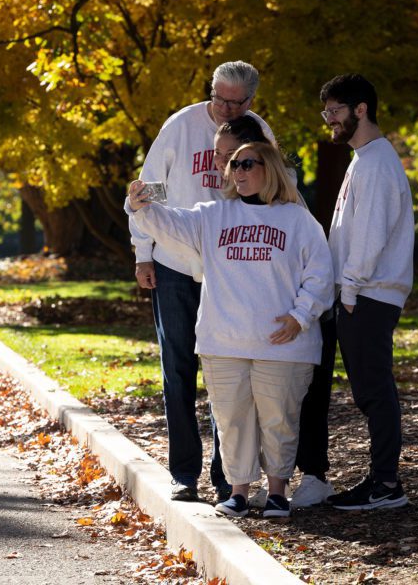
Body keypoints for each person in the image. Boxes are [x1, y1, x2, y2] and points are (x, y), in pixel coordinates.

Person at [126, 142, 334, 518]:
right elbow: (168, 223)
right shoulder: (213, 214)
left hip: (283, 344)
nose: (237, 171)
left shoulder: (298, 220)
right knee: (231, 420)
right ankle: (237, 492)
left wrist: (300, 317)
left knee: (278, 420)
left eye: (246, 164)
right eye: (233, 165)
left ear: (268, 168)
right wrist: (140, 205)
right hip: (223, 341)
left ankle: (276, 493)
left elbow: (320, 276)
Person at [130, 61, 275, 503]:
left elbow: (274, 192)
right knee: (178, 369)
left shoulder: (255, 129)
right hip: (174, 262)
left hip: (230, 269)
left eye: (237, 102)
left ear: (251, 100)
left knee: (226, 371)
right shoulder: (180, 126)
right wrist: (143, 253)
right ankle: (184, 474)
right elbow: (147, 191)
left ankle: (227, 477)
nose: (227, 108)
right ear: (210, 89)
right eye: (221, 98)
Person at [317, 74, 414, 510]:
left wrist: (351, 290)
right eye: (326, 113)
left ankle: (388, 486)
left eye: (335, 111)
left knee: (374, 390)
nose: (329, 121)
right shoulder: (365, 157)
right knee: (369, 390)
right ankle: (380, 479)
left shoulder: (375, 161)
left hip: (369, 294)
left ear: (360, 109)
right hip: (362, 293)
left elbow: (371, 236)